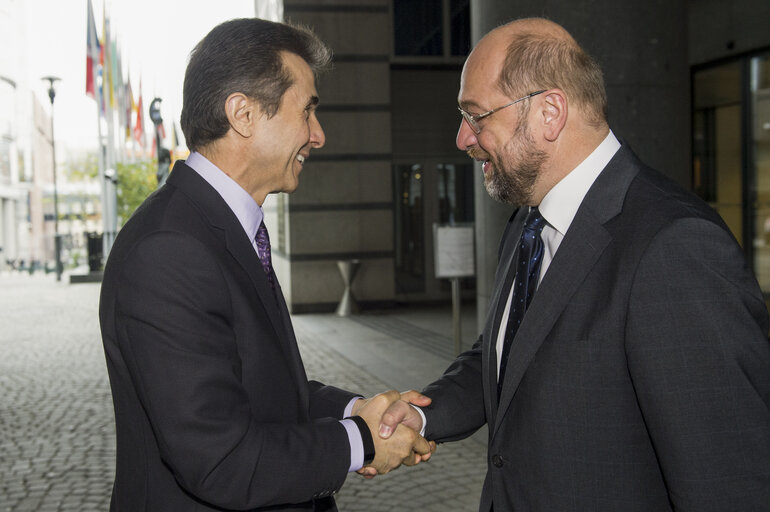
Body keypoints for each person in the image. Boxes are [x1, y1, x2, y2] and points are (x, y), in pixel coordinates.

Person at [379, 17, 770, 511]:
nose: (462, 138)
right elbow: (504, 355)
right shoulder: (527, 220)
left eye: (476, 116)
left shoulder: (676, 247)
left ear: (549, 112)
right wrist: (425, 417)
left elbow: (729, 481)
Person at [98, 18, 432, 512]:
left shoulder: (220, 225)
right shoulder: (170, 250)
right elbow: (221, 460)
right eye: (307, 111)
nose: (318, 135)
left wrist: (355, 409)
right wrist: (362, 439)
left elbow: (260, 387)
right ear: (244, 114)